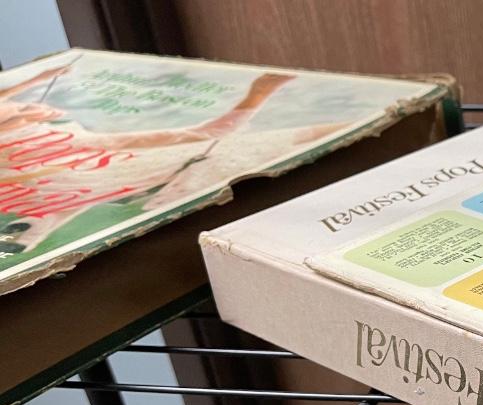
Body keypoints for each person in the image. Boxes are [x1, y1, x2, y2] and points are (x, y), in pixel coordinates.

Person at [0, 61, 344, 259]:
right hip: (155, 180)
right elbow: (208, 133)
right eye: (27, 107)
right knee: (261, 144)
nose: (42, 108)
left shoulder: (46, 140)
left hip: (115, 183)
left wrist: (36, 81)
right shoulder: (55, 143)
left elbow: (206, 132)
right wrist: (257, 94)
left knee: (275, 141)